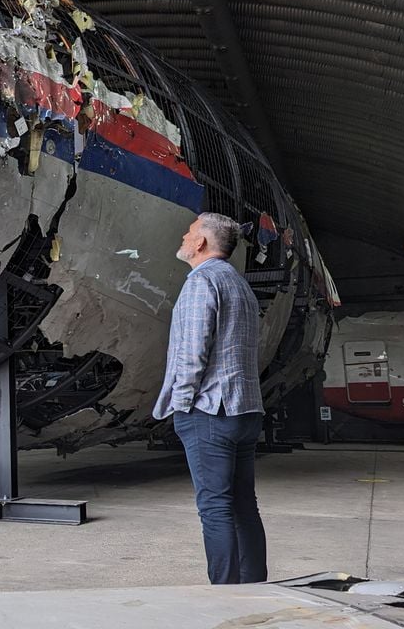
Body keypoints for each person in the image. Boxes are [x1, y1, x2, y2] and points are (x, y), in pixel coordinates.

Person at [153, 212, 267, 585]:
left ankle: (224, 594)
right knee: (243, 505)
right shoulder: (239, 284)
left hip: (210, 412)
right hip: (245, 409)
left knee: (215, 508)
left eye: (188, 232)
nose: (184, 237)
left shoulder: (201, 282)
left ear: (200, 242)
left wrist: (182, 403)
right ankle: (253, 587)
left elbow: (192, 353)